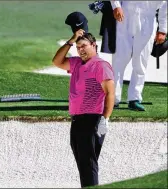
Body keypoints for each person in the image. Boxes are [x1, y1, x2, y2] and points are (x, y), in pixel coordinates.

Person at [52, 28, 115, 187]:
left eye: (84, 46)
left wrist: (105, 119)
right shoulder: (76, 63)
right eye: (78, 47)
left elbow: (110, 94)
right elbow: (57, 61)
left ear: (94, 45)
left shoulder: (101, 66)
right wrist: (70, 41)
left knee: (88, 164)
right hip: (77, 120)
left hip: (92, 120)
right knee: (84, 165)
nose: (81, 50)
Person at [110, 1, 167, 111]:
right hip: (124, 16)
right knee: (119, 60)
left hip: (148, 19)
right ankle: (113, 98)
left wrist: (163, 30)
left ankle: (134, 98)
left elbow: (165, 5)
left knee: (141, 61)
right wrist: (116, 6)